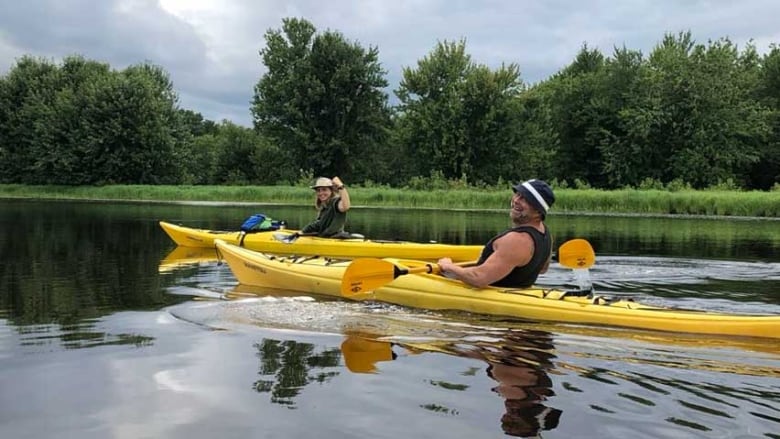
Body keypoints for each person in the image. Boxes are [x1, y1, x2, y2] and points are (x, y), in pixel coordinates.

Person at [437, 179, 555, 288]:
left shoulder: (517, 240)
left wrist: (449, 266)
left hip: (491, 295)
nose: (516, 200)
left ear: (538, 211)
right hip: (516, 293)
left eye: (525, 199)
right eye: (517, 194)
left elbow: (479, 278)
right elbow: (542, 269)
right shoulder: (545, 233)